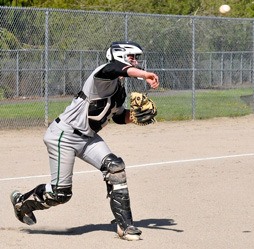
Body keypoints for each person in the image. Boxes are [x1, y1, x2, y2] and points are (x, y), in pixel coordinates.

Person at [10, 41, 159, 241]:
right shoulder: (102, 74)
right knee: (60, 194)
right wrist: (144, 75)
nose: (135, 61)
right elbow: (114, 68)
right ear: (119, 56)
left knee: (116, 168)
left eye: (136, 58)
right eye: (131, 57)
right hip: (64, 135)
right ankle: (21, 202)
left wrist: (135, 117)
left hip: (87, 138)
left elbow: (117, 116)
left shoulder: (118, 88)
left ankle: (126, 226)